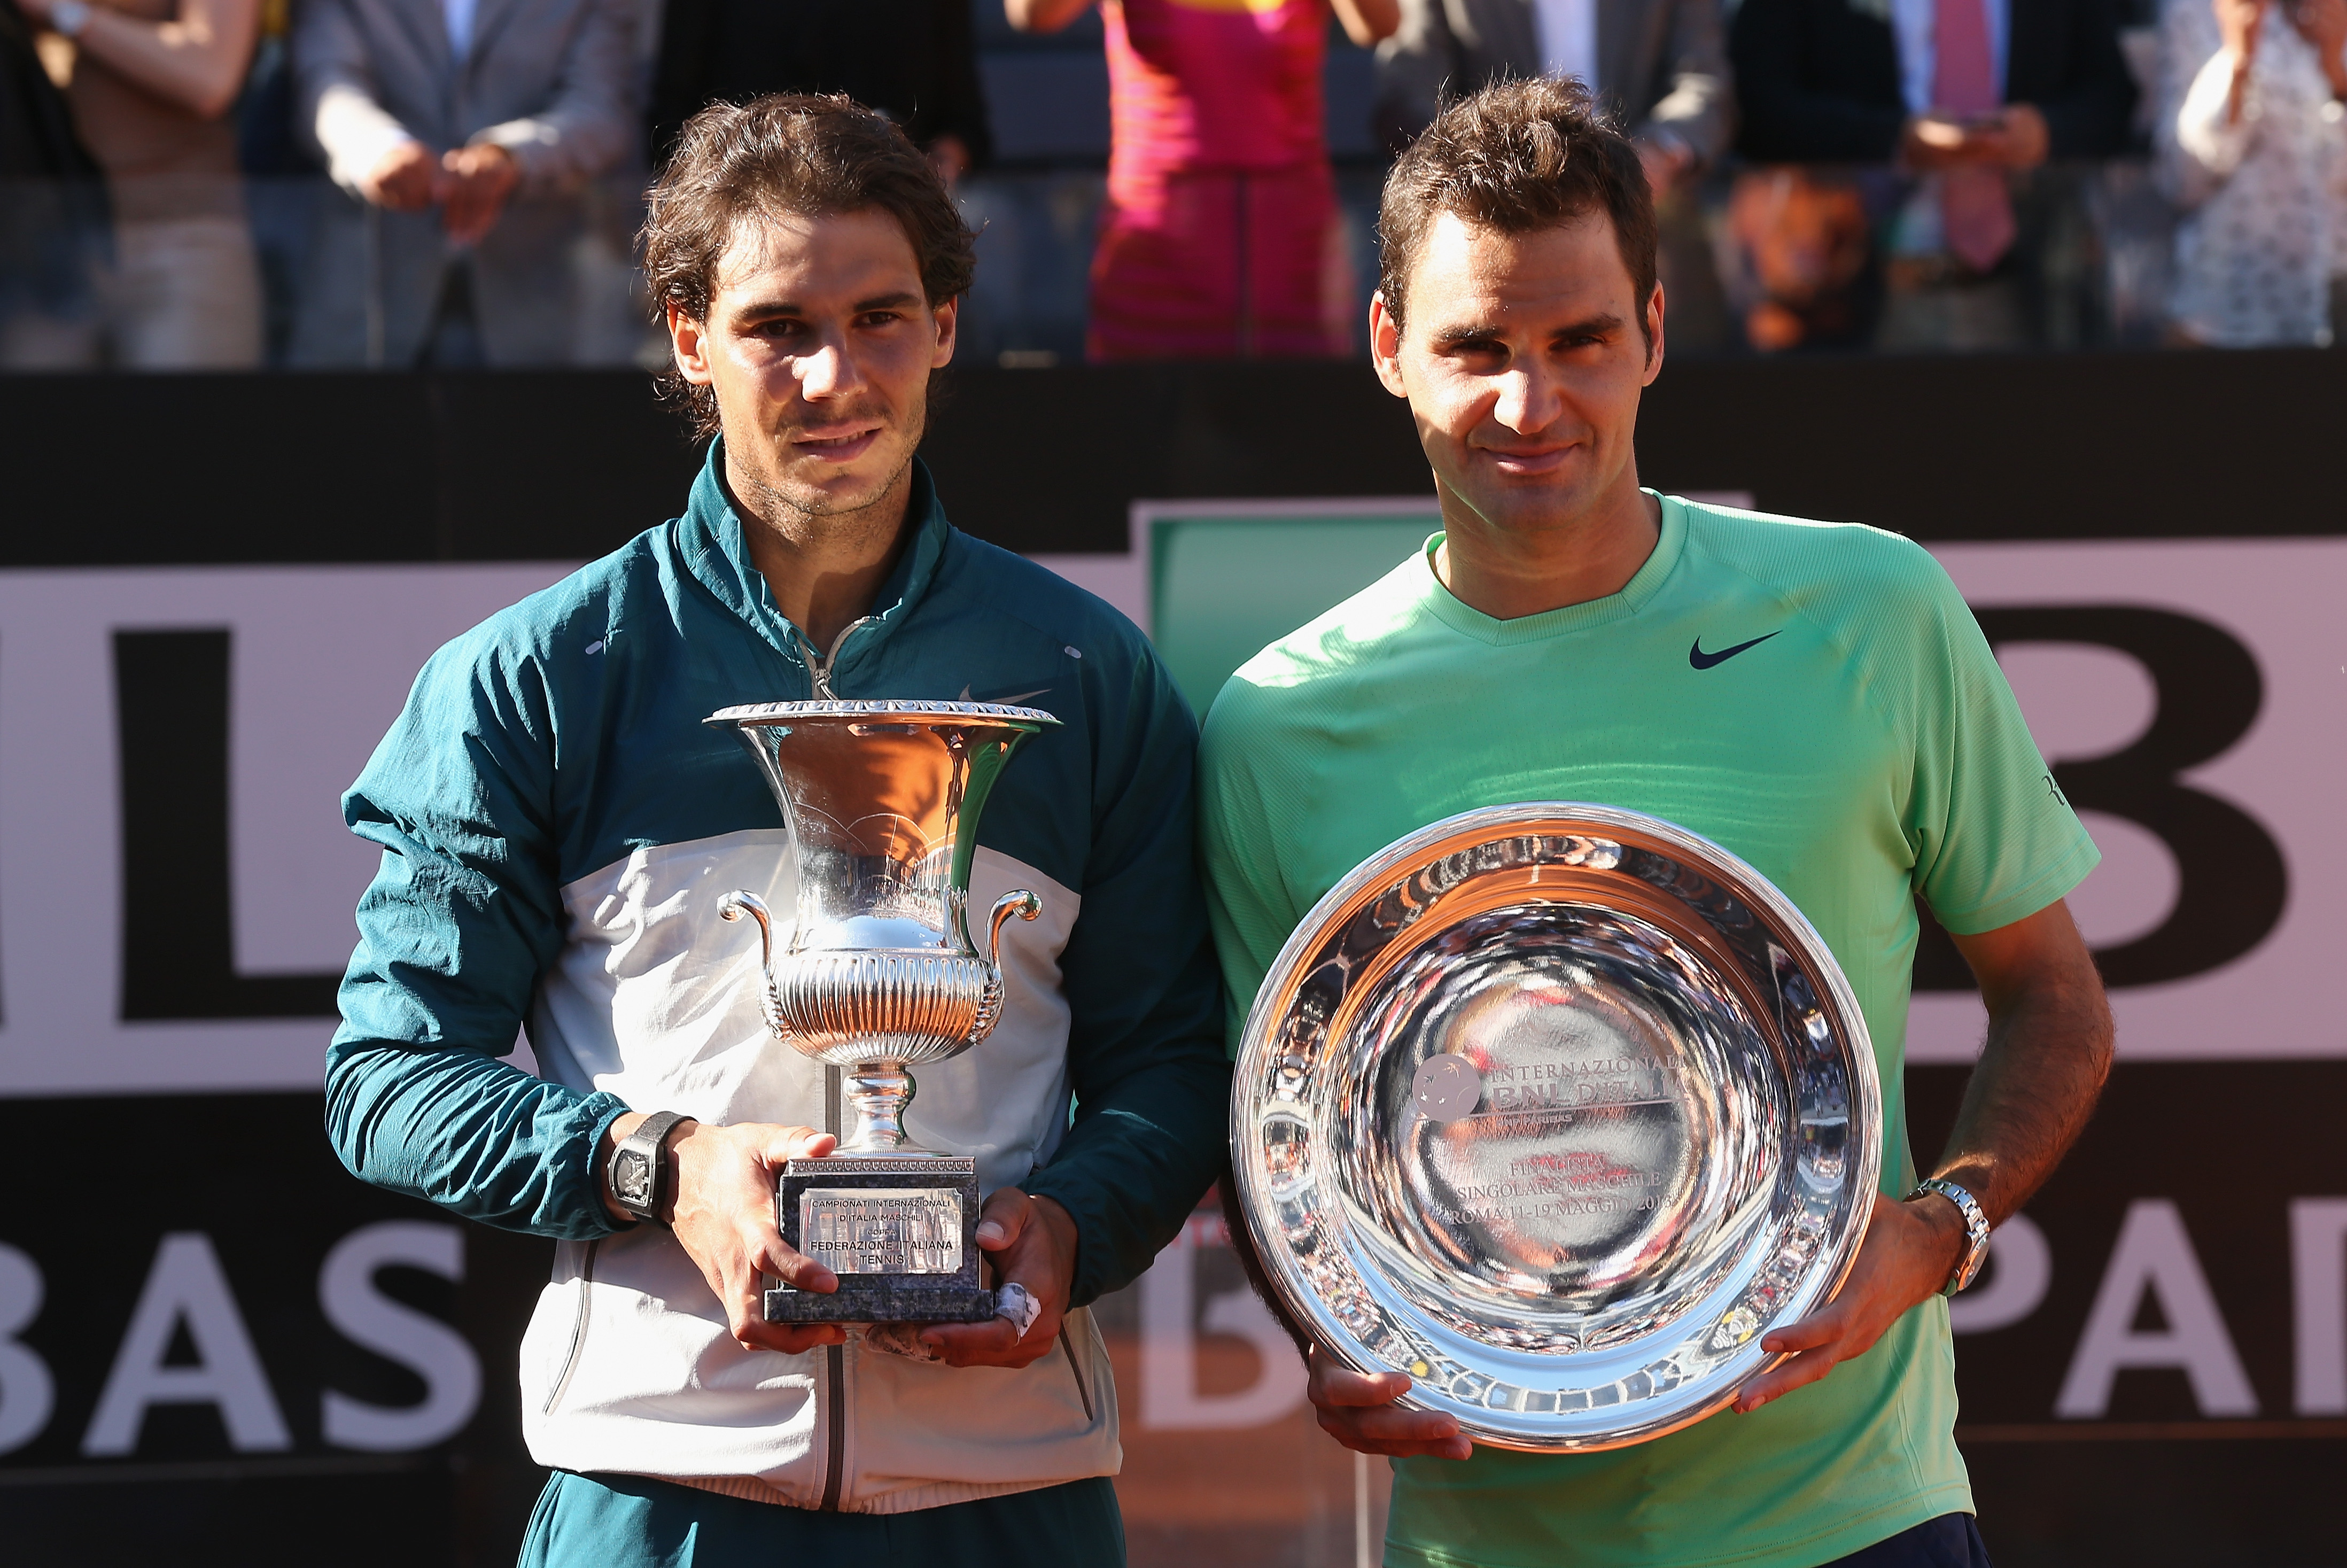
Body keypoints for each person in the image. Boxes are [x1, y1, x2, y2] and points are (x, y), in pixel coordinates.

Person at [1199, 79, 2115, 1568]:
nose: (1529, 402)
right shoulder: (1277, 721)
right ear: (1387, 349)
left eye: (1580, 342)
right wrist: (1330, 1332)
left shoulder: (1873, 610)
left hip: (1856, 1522)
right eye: (1476, 347)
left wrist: (1937, 1227)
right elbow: (1276, 1132)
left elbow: (2059, 999)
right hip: (1478, 1539)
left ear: (1656, 333)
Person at [328, 95, 1229, 1563]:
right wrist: (660, 1166)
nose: (833, 374)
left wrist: (1070, 1224)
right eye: (775, 325)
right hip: (657, 1491)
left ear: (946, 325)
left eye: (880, 317)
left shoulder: (1086, 673)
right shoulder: (539, 675)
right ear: (689, 336)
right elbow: (386, 1075)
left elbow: (1175, 1062)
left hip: (1010, 1498)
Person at [1006, 0, 1400, 360]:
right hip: (1153, 260)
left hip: (1292, 262)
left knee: (1295, 420)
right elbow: (1031, 13)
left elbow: (1381, 24)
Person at [291, 0, 639, 364]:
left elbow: (602, 106)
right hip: (371, 292)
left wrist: (512, 156)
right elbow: (326, 81)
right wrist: (381, 150)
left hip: (533, 298)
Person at [11, 0, 263, 366]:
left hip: (182, 237)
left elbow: (211, 76)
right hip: (50, 246)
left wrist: (66, 15)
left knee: (184, 416)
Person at [1372, 0, 1735, 194]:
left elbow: (1702, 82)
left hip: (1640, 202)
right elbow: (1410, 96)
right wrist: (1483, 170)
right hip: (1490, 206)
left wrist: (1658, 153)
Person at [2156, 0, 2347, 345]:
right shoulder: (2193, 13)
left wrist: (2336, 73)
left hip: (2337, 293)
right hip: (2227, 316)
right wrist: (2238, 63)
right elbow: (2181, 181)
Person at [647, 0, 990, 182]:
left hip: (893, 225)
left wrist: (926, 177)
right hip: (751, 235)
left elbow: (965, 128)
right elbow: (672, 129)